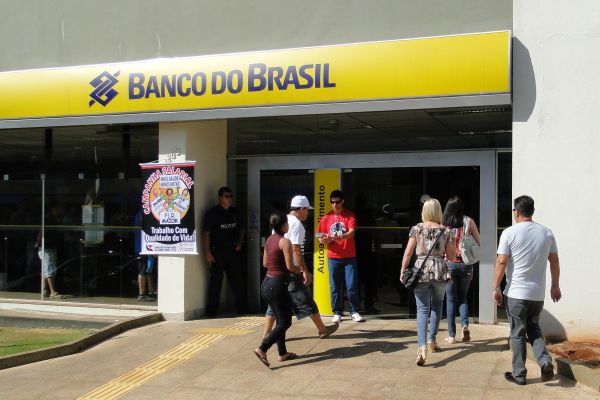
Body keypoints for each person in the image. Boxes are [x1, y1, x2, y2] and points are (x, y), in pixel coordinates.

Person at [493, 195, 561, 386]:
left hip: (516, 293)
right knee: (534, 328)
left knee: (517, 332)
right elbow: (554, 260)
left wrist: (495, 287)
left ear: (517, 211)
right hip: (537, 294)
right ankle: (545, 361)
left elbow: (502, 261)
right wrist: (555, 286)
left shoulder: (509, 233)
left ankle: (519, 374)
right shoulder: (547, 233)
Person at [263, 196, 338, 339]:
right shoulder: (297, 224)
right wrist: (304, 271)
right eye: (307, 211)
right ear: (302, 209)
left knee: (274, 305)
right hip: (291, 270)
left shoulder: (281, 220)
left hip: (278, 269)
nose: (308, 214)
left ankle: (267, 334)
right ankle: (322, 329)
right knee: (306, 300)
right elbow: (296, 250)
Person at [400, 198, 455, 366]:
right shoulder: (445, 231)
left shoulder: (417, 229)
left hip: (420, 271)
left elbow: (409, 253)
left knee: (422, 310)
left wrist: (403, 270)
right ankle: (432, 340)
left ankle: (422, 347)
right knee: (438, 305)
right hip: (440, 271)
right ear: (439, 211)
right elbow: (452, 256)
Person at [254, 211, 301, 367]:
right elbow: (290, 266)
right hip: (278, 285)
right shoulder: (284, 242)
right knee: (285, 322)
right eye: (287, 222)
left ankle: (282, 353)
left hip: (267, 284)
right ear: (283, 225)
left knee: (280, 320)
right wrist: (299, 270)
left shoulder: (269, 240)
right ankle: (262, 348)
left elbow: (265, 264)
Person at [317, 190, 364, 323]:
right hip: (333, 256)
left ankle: (354, 311)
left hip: (349, 256)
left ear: (342, 201)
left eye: (337, 202)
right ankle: (337, 312)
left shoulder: (349, 215)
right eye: (332, 202)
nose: (334, 205)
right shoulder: (326, 217)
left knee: (351, 285)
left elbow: (351, 232)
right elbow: (319, 234)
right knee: (334, 286)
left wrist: (342, 236)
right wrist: (324, 240)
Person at [202, 187, 247, 317]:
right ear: (220, 198)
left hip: (232, 251)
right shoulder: (212, 213)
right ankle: (211, 311)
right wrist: (208, 252)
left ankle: (243, 308)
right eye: (227, 196)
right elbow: (206, 234)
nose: (229, 198)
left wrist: (239, 242)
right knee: (216, 282)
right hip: (217, 252)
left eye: (231, 196)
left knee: (237, 280)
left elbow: (242, 228)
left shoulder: (235, 212)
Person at [442, 196, 481, 343]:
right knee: (462, 298)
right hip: (466, 264)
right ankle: (465, 325)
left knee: (450, 300)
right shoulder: (469, 221)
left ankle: (451, 335)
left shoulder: (443, 224)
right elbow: (478, 241)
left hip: (449, 264)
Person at [36, 201, 64, 299]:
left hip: (48, 247)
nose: (60, 210)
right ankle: (52, 291)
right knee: (49, 268)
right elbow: (41, 232)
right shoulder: (49, 219)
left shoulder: (54, 219)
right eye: (58, 208)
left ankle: (44, 290)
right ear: (53, 209)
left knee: (46, 268)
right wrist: (38, 242)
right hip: (47, 247)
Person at [135, 210, 156, 302]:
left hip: (146, 246)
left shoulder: (142, 213)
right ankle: (141, 294)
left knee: (149, 270)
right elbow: (148, 228)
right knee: (143, 270)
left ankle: (151, 292)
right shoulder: (143, 213)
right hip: (144, 247)